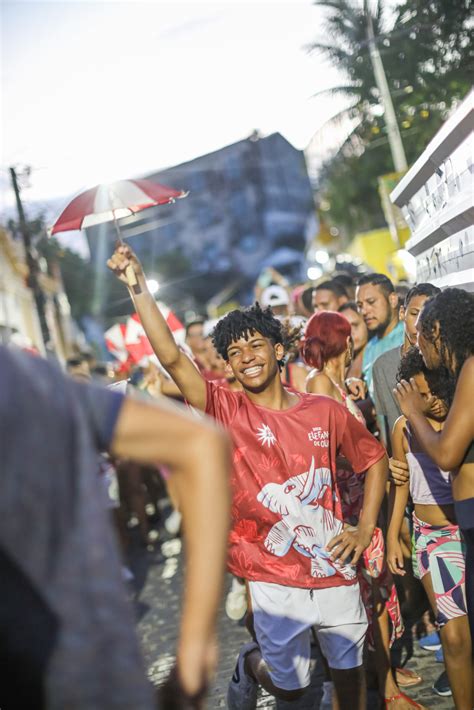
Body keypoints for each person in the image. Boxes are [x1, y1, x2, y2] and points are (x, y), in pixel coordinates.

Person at [107, 245, 389, 710]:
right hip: (272, 577)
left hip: (334, 565)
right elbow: (174, 361)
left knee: (350, 686)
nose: (247, 358)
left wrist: (364, 528)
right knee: (295, 688)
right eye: (235, 353)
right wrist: (137, 285)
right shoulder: (225, 408)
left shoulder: (324, 410)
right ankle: (250, 665)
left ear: (279, 351)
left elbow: (373, 460)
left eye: (256, 345)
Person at [0, 344, 231, 710]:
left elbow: (200, 443)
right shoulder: (19, 376)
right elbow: (200, 442)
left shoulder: (14, 380)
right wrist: (195, 651)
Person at [304, 313, 420, 710]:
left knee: (374, 592)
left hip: (358, 497)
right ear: (339, 341)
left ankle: (382, 671)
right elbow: (324, 449)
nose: (354, 339)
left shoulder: (333, 384)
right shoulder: (319, 384)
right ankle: (386, 689)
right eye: (348, 333)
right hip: (347, 506)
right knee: (369, 596)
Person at [389, 347, 471, 707]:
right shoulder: (404, 429)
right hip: (434, 539)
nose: (432, 401)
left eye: (436, 391)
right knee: (453, 637)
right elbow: (401, 483)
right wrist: (393, 533)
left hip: (465, 533)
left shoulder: (459, 419)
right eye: (422, 395)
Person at [394, 288, 474, 645]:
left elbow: (446, 455)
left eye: (422, 333)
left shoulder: (471, 368)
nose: (417, 344)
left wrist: (412, 411)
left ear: (439, 331)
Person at [372, 284, 440, 450]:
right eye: (414, 314)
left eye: (428, 317)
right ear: (402, 313)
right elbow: (386, 423)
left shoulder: (442, 362)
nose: (419, 324)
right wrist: (391, 464)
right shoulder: (382, 365)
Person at [356, 273, 404, 398]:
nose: (364, 311)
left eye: (371, 302)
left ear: (392, 300)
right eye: (360, 306)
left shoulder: (409, 336)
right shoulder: (370, 347)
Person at [338, 302, 369, 380]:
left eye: (355, 325)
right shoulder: (343, 363)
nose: (350, 333)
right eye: (344, 328)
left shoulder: (376, 356)